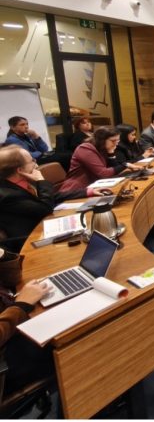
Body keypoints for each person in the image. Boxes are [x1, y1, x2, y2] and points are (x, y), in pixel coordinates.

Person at [0, 257, 55, 396]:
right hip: (5, 359)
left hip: (9, 319)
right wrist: (21, 305)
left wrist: (4, 255)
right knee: (67, 340)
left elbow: (12, 278)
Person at [58, 127, 143, 195]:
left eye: (117, 141)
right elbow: (104, 173)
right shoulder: (85, 149)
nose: (116, 144)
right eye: (113, 141)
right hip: (76, 190)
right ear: (101, 140)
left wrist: (111, 153)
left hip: (94, 187)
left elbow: (114, 169)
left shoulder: (103, 148)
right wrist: (126, 165)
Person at [0, 146, 56, 241]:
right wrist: (40, 180)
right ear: (20, 170)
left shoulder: (20, 182)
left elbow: (48, 198)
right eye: (32, 161)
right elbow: (45, 209)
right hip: (30, 239)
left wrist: (83, 193)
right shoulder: (7, 195)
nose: (35, 163)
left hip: (42, 228)